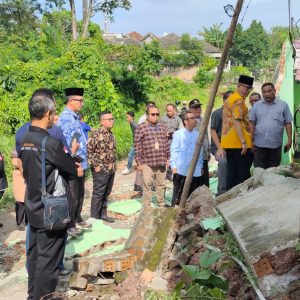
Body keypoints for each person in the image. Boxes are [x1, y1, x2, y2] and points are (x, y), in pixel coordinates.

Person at [19, 88, 79, 300]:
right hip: (51, 212)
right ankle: (43, 297)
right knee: (49, 262)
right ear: (47, 114)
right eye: (53, 114)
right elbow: (71, 171)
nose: (55, 117)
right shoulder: (51, 144)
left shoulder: (24, 139)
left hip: (32, 207)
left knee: (34, 257)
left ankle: (32, 295)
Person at [58, 87, 90, 236]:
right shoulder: (66, 118)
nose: (82, 103)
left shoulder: (75, 116)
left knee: (80, 193)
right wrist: (76, 163)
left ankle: (77, 217)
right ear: (71, 101)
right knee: (73, 195)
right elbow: (69, 145)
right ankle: (70, 225)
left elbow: (78, 138)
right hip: (73, 163)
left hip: (80, 162)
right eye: (80, 101)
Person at [221, 75, 254, 190]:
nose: (248, 90)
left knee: (232, 171)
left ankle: (231, 197)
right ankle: (241, 199)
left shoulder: (232, 98)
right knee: (243, 173)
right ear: (239, 86)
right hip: (238, 142)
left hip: (231, 142)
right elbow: (236, 121)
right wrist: (243, 142)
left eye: (250, 88)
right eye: (246, 87)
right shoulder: (238, 100)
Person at [249, 82, 293, 169]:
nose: (267, 94)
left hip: (275, 146)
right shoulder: (257, 106)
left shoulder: (283, 105)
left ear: (274, 91)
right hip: (259, 145)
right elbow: (252, 123)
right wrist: (251, 140)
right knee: (259, 171)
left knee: (273, 172)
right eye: (264, 92)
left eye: (269, 91)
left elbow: (287, 123)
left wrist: (289, 140)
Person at [134, 105, 170, 207]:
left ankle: (161, 203)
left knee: (161, 184)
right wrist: (139, 163)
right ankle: (147, 205)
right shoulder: (141, 127)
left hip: (161, 160)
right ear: (147, 115)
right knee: (147, 185)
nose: (155, 116)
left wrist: (168, 158)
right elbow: (137, 146)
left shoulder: (162, 126)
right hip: (148, 162)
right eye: (153, 114)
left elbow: (166, 143)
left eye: (157, 114)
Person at [88, 111, 116, 222]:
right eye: (109, 119)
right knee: (98, 193)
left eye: (112, 119)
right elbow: (89, 150)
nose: (112, 121)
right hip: (100, 169)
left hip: (111, 168)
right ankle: (94, 217)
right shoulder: (96, 133)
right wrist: (96, 165)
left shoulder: (111, 134)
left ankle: (103, 214)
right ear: (102, 122)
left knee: (106, 192)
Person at [170, 111, 204, 206]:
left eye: (195, 118)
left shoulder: (198, 134)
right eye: (192, 118)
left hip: (195, 167)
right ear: (186, 121)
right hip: (181, 167)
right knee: (178, 191)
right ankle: (174, 210)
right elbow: (174, 150)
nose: (195, 120)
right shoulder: (178, 134)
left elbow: (200, 152)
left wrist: (200, 166)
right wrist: (173, 165)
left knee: (193, 192)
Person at [210, 91, 233, 196]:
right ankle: (222, 191)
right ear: (224, 101)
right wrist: (219, 147)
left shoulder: (236, 113)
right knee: (223, 162)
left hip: (232, 146)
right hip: (218, 146)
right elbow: (213, 131)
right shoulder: (218, 113)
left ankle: (233, 188)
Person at [188, 99, 210, 187]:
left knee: (204, 179)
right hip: (194, 155)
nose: (199, 109)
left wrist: (207, 151)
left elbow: (206, 136)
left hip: (203, 153)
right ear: (190, 109)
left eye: (199, 107)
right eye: (196, 107)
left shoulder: (202, 119)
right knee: (195, 180)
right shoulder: (187, 121)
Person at [161, 103, 184, 180]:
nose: (169, 112)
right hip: (164, 140)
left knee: (173, 156)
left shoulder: (178, 119)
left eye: (171, 111)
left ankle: (170, 173)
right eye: (168, 111)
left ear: (174, 110)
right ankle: (163, 174)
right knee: (164, 157)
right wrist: (164, 132)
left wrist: (176, 133)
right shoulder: (163, 119)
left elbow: (182, 130)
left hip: (174, 140)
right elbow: (159, 129)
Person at [11, 149, 26, 230]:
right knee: (20, 201)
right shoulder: (16, 149)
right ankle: (20, 222)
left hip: (30, 174)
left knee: (29, 199)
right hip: (19, 175)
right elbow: (14, 162)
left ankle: (28, 220)